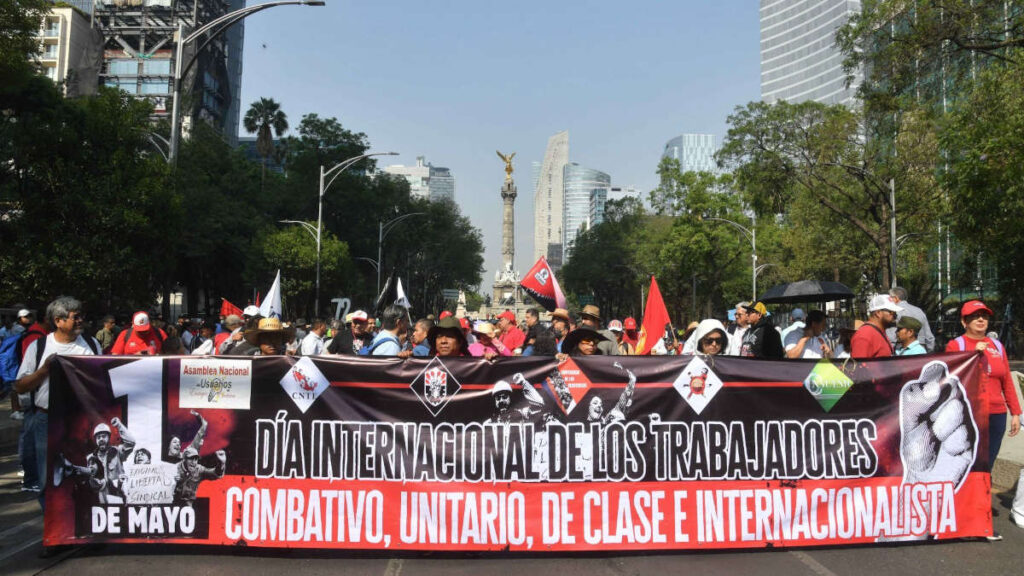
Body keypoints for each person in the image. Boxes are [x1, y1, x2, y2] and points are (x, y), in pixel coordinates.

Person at [14, 296, 100, 509]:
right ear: (58, 321)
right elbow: (20, 385)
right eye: (75, 317)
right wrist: (44, 370)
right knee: (47, 477)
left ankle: (79, 527)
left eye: (81, 316)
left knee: (84, 473)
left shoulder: (91, 345)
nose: (80, 320)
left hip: (81, 420)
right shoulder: (39, 346)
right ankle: (53, 534)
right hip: (47, 419)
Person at [945, 301, 1021, 499]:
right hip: (969, 414)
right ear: (964, 321)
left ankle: (980, 509)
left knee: (988, 463)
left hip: (996, 414)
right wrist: (972, 355)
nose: (981, 320)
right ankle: (963, 507)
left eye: (984, 316)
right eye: (975, 316)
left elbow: (1006, 380)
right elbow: (950, 379)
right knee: (970, 463)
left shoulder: (997, 346)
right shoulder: (956, 345)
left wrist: (1016, 412)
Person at [850, 294, 901, 358]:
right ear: (878, 313)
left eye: (895, 313)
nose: (895, 316)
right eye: (891, 312)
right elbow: (858, 366)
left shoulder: (878, 331)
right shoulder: (865, 335)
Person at [887, 286, 935, 352]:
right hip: (921, 352)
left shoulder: (894, 312)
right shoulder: (919, 311)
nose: (888, 301)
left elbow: (891, 338)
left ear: (896, 298)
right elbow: (929, 337)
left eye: (889, 298)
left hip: (901, 351)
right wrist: (928, 353)